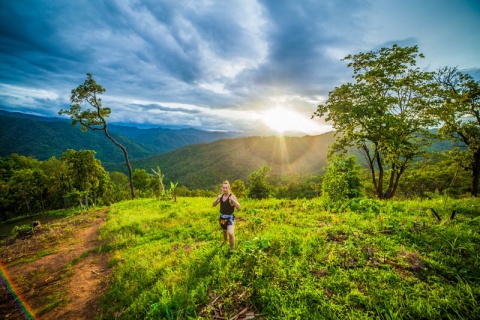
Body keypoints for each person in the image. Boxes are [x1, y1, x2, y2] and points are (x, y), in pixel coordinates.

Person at [212, 180, 241, 254]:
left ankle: (231, 250)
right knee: (224, 231)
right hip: (222, 218)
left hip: (229, 218)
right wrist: (217, 199)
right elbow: (213, 204)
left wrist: (233, 201)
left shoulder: (232, 196)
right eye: (223, 188)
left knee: (231, 233)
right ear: (222, 188)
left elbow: (239, 208)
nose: (225, 189)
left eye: (226, 188)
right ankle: (225, 241)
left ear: (229, 188)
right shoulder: (221, 196)